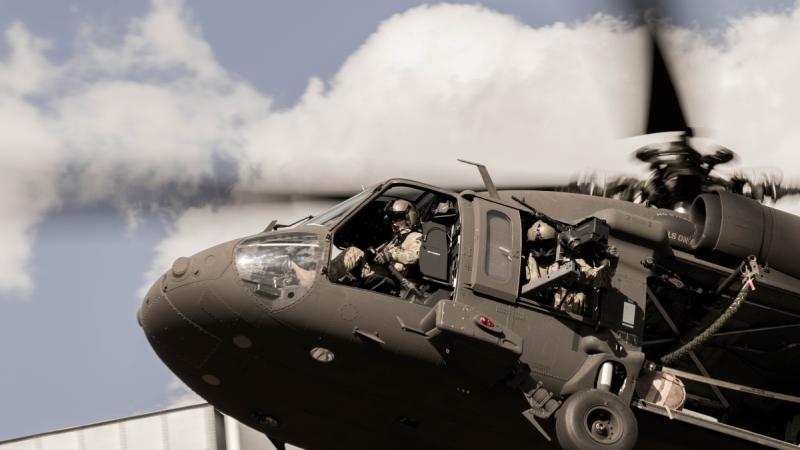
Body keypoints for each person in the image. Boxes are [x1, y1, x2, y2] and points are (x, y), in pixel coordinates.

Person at [329, 199, 423, 296]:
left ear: (409, 218)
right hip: (375, 271)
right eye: (391, 219)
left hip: (392, 276)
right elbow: (378, 253)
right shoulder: (393, 240)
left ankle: (325, 276)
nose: (393, 223)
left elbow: (414, 256)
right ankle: (327, 276)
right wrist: (370, 255)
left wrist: (392, 255)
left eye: (398, 218)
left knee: (353, 252)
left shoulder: (415, 236)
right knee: (354, 253)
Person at [525, 220, 614, 314]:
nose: (541, 250)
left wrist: (581, 292)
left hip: (562, 315)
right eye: (537, 246)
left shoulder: (571, 262)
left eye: (547, 244)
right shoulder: (530, 264)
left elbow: (596, 280)